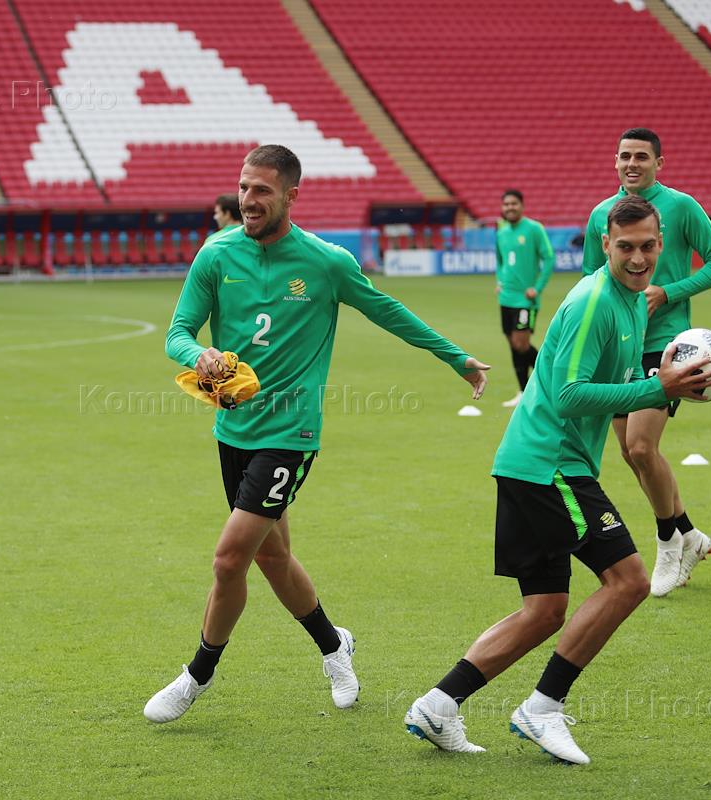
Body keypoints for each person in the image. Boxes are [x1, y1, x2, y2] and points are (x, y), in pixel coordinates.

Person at [146, 144, 490, 723]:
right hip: (234, 428)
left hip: (291, 432)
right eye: (243, 187)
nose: (248, 199)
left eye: (261, 190)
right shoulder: (217, 253)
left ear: (291, 196)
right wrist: (197, 353)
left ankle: (196, 675)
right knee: (273, 556)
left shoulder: (326, 263)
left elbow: (387, 311)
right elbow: (177, 331)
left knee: (230, 559)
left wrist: (456, 358)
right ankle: (335, 646)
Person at [404, 195, 711, 764]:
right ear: (605, 244)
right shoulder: (597, 302)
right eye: (626, 247)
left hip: (529, 464)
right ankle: (543, 707)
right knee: (628, 581)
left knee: (545, 610)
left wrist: (662, 380)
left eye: (649, 246)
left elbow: (608, 387)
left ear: (661, 244)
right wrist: (658, 388)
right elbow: (570, 396)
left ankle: (438, 705)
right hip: (551, 465)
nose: (639, 258)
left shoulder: (632, 302)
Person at [582, 128, 711, 597]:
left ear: (658, 163)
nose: (632, 163)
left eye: (641, 157)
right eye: (625, 156)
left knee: (643, 447)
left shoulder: (681, 207)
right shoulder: (601, 214)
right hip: (619, 345)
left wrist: (668, 292)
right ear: (615, 161)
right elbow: (590, 277)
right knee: (630, 453)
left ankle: (668, 544)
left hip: (666, 345)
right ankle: (689, 534)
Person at [495, 189, 555, 408]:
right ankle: (523, 391)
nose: (510, 207)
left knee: (521, 344)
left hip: (524, 300)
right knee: (513, 345)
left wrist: (537, 288)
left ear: (522, 205)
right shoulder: (501, 232)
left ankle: (552, 374)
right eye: (506, 204)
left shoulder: (534, 229)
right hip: (506, 298)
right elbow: (500, 261)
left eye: (514, 204)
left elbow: (549, 258)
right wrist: (499, 280)